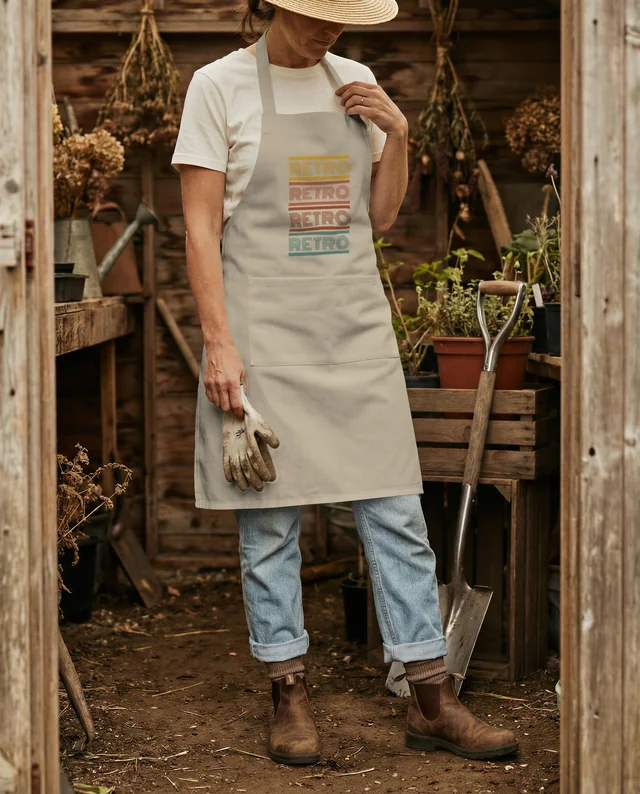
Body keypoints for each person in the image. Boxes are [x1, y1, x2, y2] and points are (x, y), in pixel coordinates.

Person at [171, 0, 519, 766]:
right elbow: (199, 227)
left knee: (395, 512)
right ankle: (288, 693)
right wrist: (220, 345)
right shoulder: (219, 86)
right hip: (263, 337)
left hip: (354, 335)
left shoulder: (357, 81)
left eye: (341, 16)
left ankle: (432, 698)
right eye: (315, 14)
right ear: (274, 7)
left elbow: (381, 216)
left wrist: (399, 133)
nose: (330, 29)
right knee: (269, 523)